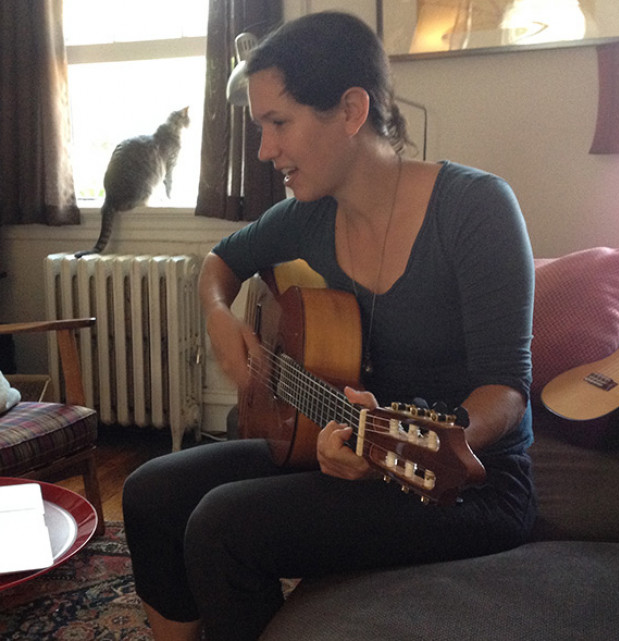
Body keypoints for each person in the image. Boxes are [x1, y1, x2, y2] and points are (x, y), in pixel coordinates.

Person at [122, 11, 536, 641]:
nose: (264, 150)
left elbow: (504, 389)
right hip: (346, 443)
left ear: (350, 109)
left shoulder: (475, 209)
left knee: (221, 526)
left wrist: (411, 442)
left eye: (277, 123)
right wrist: (217, 315)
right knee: (149, 492)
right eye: (260, 127)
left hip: (462, 482)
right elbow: (220, 262)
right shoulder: (307, 215)